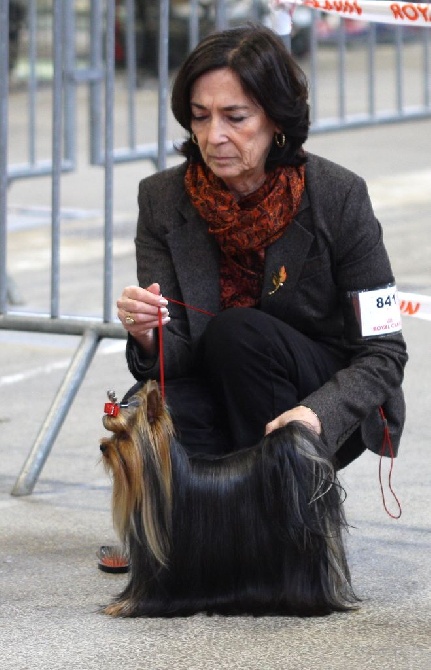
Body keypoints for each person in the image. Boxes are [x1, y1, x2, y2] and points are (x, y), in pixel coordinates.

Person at [116, 23, 407, 470]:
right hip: (220, 381)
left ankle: (280, 505)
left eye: (235, 118)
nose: (214, 137)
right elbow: (178, 357)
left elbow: (384, 350)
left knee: (240, 333)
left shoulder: (338, 195)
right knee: (143, 416)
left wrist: (317, 414)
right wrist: (148, 335)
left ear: (276, 119)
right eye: (200, 116)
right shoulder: (162, 200)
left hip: (316, 393)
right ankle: (221, 516)